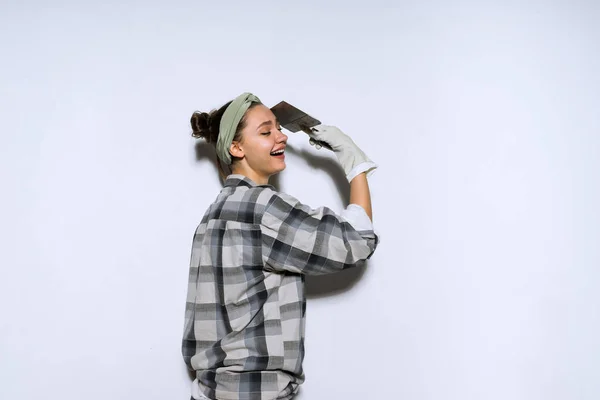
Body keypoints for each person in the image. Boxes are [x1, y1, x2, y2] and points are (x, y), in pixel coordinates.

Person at [182, 92, 379, 400]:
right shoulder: (262, 208)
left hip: (208, 392)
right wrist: (355, 166)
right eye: (266, 131)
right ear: (236, 147)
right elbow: (355, 242)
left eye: (278, 127)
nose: (281, 136)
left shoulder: (213, 214)